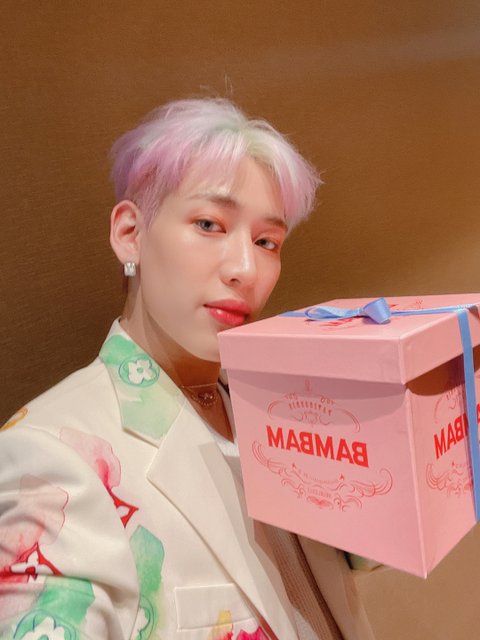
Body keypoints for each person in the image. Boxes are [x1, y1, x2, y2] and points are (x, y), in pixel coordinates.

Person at [0, 99, 370, 640]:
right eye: (209, 224)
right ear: (130, 233)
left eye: (267, 242)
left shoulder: (282, 414)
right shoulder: (54, 458)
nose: (246, 269)